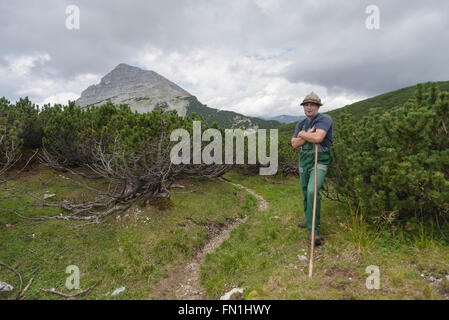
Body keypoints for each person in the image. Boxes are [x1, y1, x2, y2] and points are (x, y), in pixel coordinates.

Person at [291, 92, 333, 246]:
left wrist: (302, 135)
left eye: (312, 104)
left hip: (319, 159)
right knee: (304, 191)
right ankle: (309, 219)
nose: (309, 107)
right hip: (304, 160)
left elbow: (318, 138)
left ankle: (313, 232)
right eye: (306, 104)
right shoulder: (300, 124)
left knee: (312, 191)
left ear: (318, 106)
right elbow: (294, 144)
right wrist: (306, 133)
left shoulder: (324, 119)